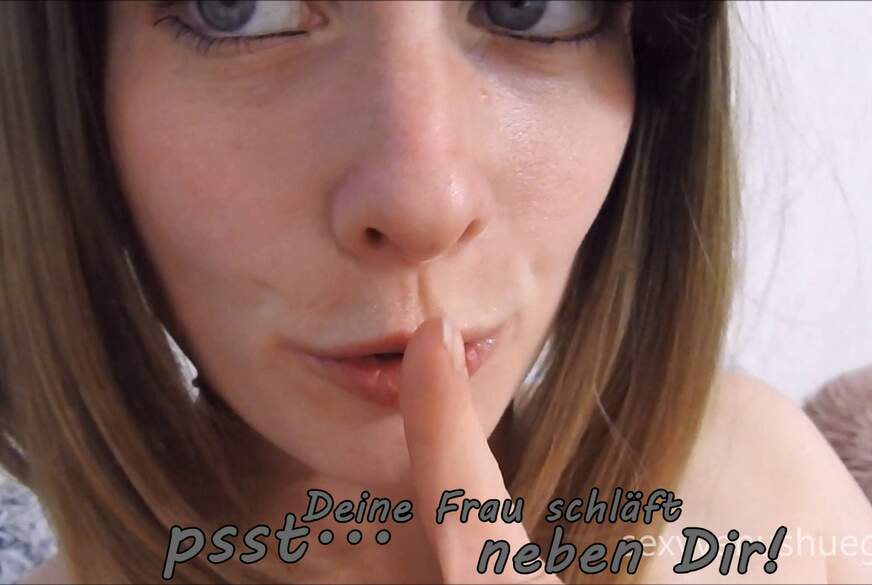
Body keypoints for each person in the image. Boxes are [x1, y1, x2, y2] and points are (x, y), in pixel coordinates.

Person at [3, 1, 870, 583]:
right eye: (238, 7)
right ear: (75, 89)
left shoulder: (767, 491)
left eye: (526, 5)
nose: (424, 203)